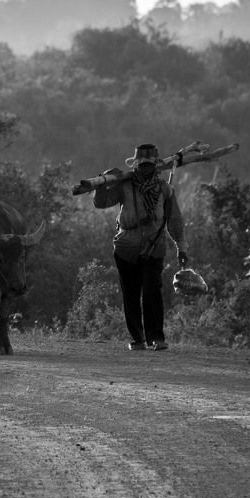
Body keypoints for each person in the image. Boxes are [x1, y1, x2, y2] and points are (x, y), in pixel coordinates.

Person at [93, 143, 188, 351]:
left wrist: (182, 247)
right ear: (135, 165)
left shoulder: (164, 189)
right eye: (141, 165)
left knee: (152, 289)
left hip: (154, 248)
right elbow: (101, 203)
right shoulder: (124, 186)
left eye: (149, 165)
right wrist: (101, 185)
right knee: (131, 293)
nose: (145, 169)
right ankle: (137, 338)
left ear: (155, 165)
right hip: (126, 248)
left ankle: (156, 337)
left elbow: (175, 221)